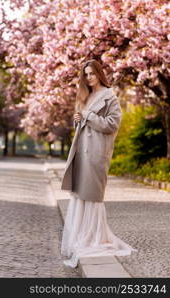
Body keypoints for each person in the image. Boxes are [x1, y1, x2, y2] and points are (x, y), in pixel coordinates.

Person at [60, 59, 137, 268]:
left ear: (99, 74)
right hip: (81, 151)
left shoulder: (109, 96)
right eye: (86, 74)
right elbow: (84, 120)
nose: (89, 77)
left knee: (92, 195)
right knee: (79, 194)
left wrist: (88, 116)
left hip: (96, 153)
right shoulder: (85, 96)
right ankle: (80, 236)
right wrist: (78, 118)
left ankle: (94, 238)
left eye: (92, 73)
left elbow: (112, 124)